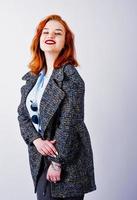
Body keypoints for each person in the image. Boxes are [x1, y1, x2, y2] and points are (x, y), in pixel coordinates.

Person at [17, 14, 97, 200]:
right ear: (39, 40)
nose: (50, 35)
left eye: (57, 33)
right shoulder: (34, 77)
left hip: (66, 162)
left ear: (65, 44)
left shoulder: (70, 78)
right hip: (40, 159)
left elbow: (69, 123)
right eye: (45, 31)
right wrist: (36, 140)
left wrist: (56, 162)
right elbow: (22, 114)